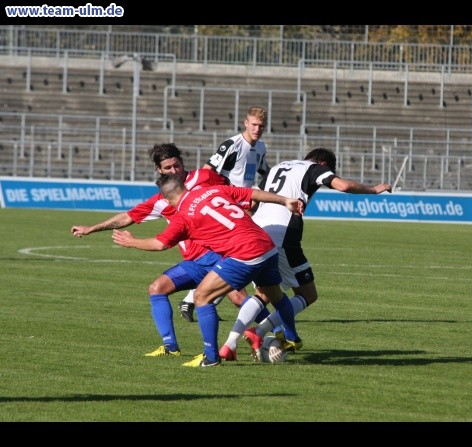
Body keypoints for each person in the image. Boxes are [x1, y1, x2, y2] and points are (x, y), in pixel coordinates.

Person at [112, 173, 305, 367]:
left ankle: (211, 358)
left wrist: (131, 242)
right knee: (276, 297)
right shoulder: (213, 190)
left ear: (165, 199)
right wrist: (285, 200)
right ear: (184, 186)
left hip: (244, 253)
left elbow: (160, 243)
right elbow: (252, 193)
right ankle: (292, 338)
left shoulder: (182, 216)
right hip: (267, 246)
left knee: (202, 297)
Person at [71, 143, 233, 357]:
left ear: (182, 163)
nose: (174, 171)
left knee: (240, 298)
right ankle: (170, 347)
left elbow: (231, 193)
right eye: (168, 168)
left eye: (176, 166)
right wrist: (92, 228)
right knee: (157, 288)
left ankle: (276, 334)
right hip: (194, 262)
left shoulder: (204, 177)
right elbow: (127, 217)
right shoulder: (162, 200)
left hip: (222, 253)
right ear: (159, 170)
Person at [239, 147, 392, 362]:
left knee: (265, 293)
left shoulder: (278, 168)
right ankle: (259, 331)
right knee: (308, 294)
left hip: (257, 234)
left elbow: (252, 204)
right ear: (324, 166)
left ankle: (230, 342)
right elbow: (344, 185)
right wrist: (374, 189)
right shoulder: (315, 169)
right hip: (284, 237)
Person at [177, 106, 270, 321]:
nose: (257, 129)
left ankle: (196, 298)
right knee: (241, 254)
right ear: (245, 123)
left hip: (244, 205)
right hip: (227, 204)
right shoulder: (232, 144)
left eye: (261, 126)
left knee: (238, 254)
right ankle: (197, 298)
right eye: (254, 124)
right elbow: (207, 170)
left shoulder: (261, 147)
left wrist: (261, 196)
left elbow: (265, 171)